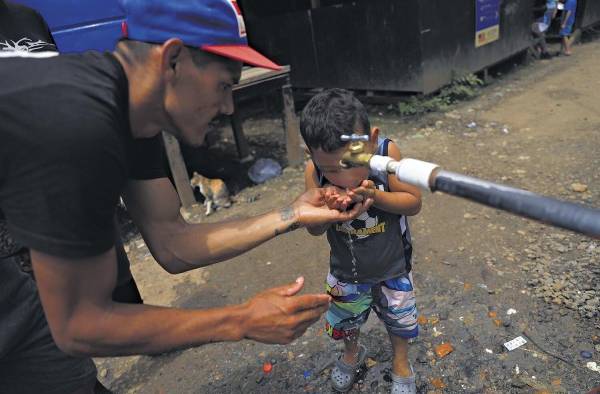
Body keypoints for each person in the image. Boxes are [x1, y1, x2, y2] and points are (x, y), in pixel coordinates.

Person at [0, 1, 374, 393]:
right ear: (173, 59)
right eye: (224, 84)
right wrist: (241, 320)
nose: (229, 106)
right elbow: (80, 325)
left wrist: (293, 213)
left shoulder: (131, 115)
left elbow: (172, 243)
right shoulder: (76, 123)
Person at [300, 89, 422, 393]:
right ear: (312, 156)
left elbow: (413, 202)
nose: (344, 179)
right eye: (330, 170)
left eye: (352, 163)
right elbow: (312, 229)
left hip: (393, 265)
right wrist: (326, 211)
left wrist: (376, 196)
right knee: (347, 319)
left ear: (371, 140)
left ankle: (401, 362)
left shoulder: (386, 154)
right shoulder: (313, 172)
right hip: (345, 271)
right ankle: (353, 353)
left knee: (399, 319)